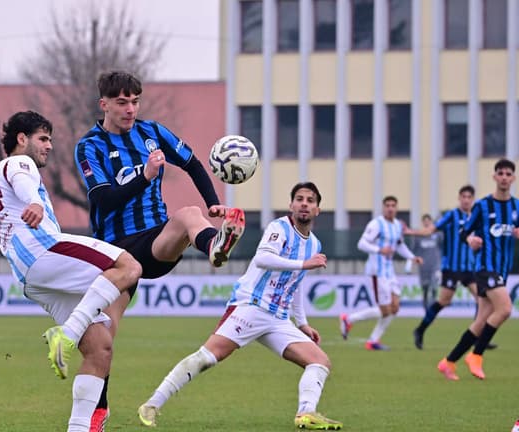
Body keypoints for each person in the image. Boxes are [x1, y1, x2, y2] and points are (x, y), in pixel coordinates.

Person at [74, 71, 245, 430]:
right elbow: (103, 200)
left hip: (153, 241)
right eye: (122, 102)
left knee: (188, 215)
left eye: (135, 101)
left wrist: (214, 203)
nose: (130, 108)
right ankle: (97, 412)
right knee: (101, 338)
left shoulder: (152, 132)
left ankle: (214, 244)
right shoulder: (90, 146)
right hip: (114, 252)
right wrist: (145, 177)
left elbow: (194, 163)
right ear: (104, 104)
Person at [135, 182, 342, 430]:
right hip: (251, 306)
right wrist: (303, 264)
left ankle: (306, 413)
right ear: (291, 205)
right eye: (299, 199)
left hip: (277, 318)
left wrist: (303, 323)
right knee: (208, 358)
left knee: (319, 361)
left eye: (310, 200)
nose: (304, 204)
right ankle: (152, 404)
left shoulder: (314, 245)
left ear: (318, 209)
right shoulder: (279, 228)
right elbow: (263, 258)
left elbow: (294, 285)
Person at [0, 111, 142, 431]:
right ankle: (66, 334)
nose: (49, 146)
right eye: (43, 138)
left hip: (28, 275)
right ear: (21, 139)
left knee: (99, 347)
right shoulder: (18, 163)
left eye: (50, 140)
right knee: (129, 266)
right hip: (43, 251)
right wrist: (36, 203)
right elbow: (23, 180)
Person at [437, 159, 519, 381]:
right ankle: (476, 355)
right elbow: (464, 231)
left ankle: (448, 362)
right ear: (494, 177)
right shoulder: (483, 206)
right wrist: (471, 239)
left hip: (501, 269)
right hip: (484, 267)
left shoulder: (516, 206)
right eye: (500, 173)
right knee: (505, 309)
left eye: (508, 174)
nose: (504, 177)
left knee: (482, 319)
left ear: (513, 178)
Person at [340, 196, 422, 350]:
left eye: (393, 206)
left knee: (395, 308)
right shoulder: (376, 224)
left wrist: (412, 257)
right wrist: (379, 250)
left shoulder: (398, 225)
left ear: (396, 208)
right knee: (385, 310)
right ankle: (349, 319)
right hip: (376, 272)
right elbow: (362, 244)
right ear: (383, 208)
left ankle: (373, 341)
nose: (390, 208)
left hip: (389, 271)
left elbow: (399, 245)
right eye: (387, 205)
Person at [404, 185, 480, 350]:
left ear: (473, 199)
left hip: (468, 268)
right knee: (444, 301)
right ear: (459, 198)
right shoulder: (451, 215)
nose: (466, 200)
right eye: (463, 197)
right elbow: (430, 230)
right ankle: (420, 330)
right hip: (451, 268)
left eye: (469, 197)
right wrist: (410, 232)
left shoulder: (475, 216)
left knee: (481, 299)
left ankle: (477, 335)